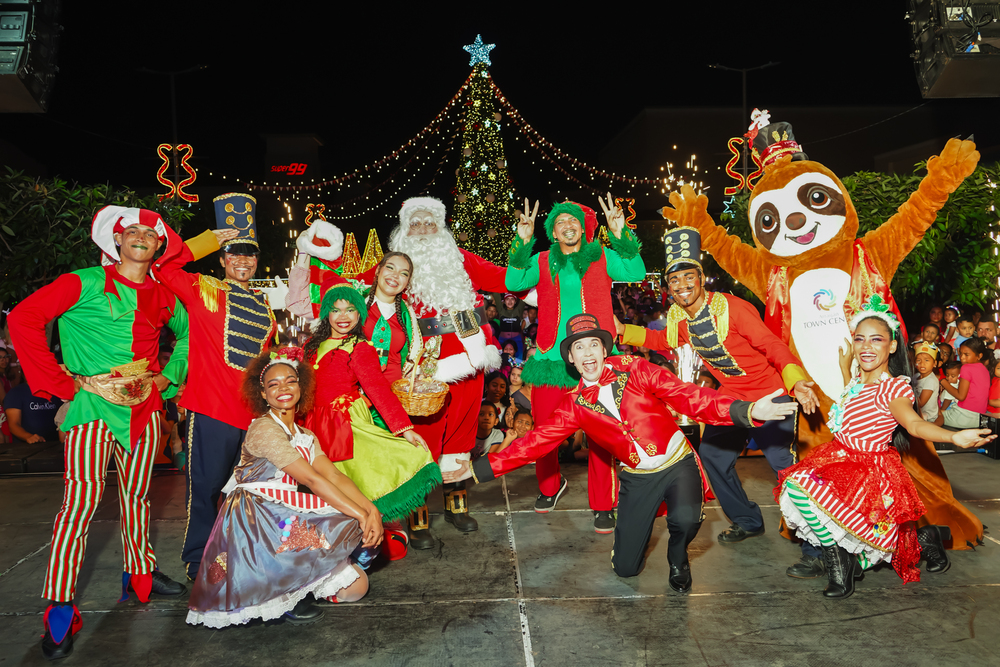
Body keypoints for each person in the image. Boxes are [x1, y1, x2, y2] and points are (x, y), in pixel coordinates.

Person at [445, 314, 798, 593]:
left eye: (593, 345)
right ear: (570, 358)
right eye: (579, 348)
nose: (587, 354)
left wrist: (746, 411)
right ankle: (631, 548)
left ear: (603, 349)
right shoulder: (573, 406)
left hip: (677, 463)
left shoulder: (637, 370)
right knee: (626, 569)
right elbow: (532, 443)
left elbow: (689, 396)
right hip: (638, 478)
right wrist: (476, 470)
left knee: (686, 520)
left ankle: (678, 555)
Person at [8, 205, 189, 660]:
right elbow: (23, 319)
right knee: (79, 505)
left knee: (138, 496)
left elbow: (188, 337)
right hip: (90, 407)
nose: (143, 236)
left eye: (152, 232)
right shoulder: (82, 281)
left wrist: (168, 375)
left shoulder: (166, 294)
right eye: (135, 231)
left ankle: (140, 573)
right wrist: (56, 383)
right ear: (117, 238)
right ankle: (61, 605)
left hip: (145, 409)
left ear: (159, 245)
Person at [616, 226, 824, 578]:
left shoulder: (732, 308)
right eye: (674, 280)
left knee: (785, 469)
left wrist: (797, 379)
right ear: (668, 287)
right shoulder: (681, 317)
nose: (682, 285)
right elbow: (663, 341)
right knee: (712, 457)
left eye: (687, 277)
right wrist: (621, 330)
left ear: (700, 278)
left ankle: (817, 549)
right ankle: (747, 519)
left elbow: (772, 346)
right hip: (732, 399)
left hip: (771, 396)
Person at [776, 297, 994, 599]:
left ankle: (853, 560)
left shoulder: (894, 388)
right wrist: (844, 369)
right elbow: (851, 408)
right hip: (840, 459)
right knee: (800, 491)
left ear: (891, 347)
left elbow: (914, 425)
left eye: (876, 339)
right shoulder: (856, 380)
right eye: (860, 339)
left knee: (883, 540)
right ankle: (859, 554)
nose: (866, 346)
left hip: (870, 472)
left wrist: (953, 437)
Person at [187, 348, 377, 628]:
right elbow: (312, 480)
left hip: (284, 509)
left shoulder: (305, 434)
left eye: (289, 381)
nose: (283, 389)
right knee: (347, 517)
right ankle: (280, 592)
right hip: (254, 517)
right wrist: (360, 516)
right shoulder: (264, 429)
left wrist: (371, 509)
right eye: (273, 384)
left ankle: (303, 583)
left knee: (356, 589)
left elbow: (333, 475)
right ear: (262, 394)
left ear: (301, 385)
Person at [152, 193, 278, 581]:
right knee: (204, 492)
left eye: (249, 255)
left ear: (257, 261)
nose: (242, 260)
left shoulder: (265, 310)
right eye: (233, 253)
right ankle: (196, 559)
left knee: (251, 494)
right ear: (222, 260)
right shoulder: (202, 288)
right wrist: (209, 238)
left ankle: (247, 554)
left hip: (252, 416)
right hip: (210, 412)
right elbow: (161, 265)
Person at [507, 195, 645, 531]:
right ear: (553, 233)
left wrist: (619, 232)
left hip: (595, 359)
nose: (567, 226)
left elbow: (636, 270)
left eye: (573, 220)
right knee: (544, 430)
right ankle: (550, 487)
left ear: (582, 227)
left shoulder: (600, 256)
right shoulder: (541, 261)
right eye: (560, 222)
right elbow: (513, 283)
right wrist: (522, 241)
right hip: (552, 359)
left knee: (600, 434)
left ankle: (602, 504)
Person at [388, 197, 513, 540]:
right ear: (404, 230)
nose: (424, 231)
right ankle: (417, 516)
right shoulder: (397, 266)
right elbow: (354, 282)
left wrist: (537, 258)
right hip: (420, 362)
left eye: (431, 223)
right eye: (416, 224)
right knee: (422, 435)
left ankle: (457, 506)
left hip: (469, 357)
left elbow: (506, 277)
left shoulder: (462, 260)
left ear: (442, 228)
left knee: (461, 430)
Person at [302, 276, 439, 530]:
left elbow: (379, 391)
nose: (343, 316)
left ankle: (367, 544)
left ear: (359, 314)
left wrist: (405, 429)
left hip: (347, 425)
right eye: (336, 310)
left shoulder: (361, 347)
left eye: (351, 310)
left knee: (355, 483)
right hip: (313, 426)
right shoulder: (311, 346)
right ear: (326, 313)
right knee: (324, 490)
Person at [939, 337, 991, 428]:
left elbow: (961, 396)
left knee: (931, 417)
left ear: (979, 356)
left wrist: (943, 381)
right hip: (978, 417)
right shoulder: (984, 369)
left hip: (964, 415)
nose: (962, 357)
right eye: (960, 353)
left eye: (966, 354)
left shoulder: (966, 368)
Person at [911, 342, 940, 422]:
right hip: (919, 413)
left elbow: (920, 403)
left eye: (926, 360)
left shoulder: (930, 380)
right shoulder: (916, 376)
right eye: (918, 360)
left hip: (929, 417)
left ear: (934, 363)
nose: (922, 363)